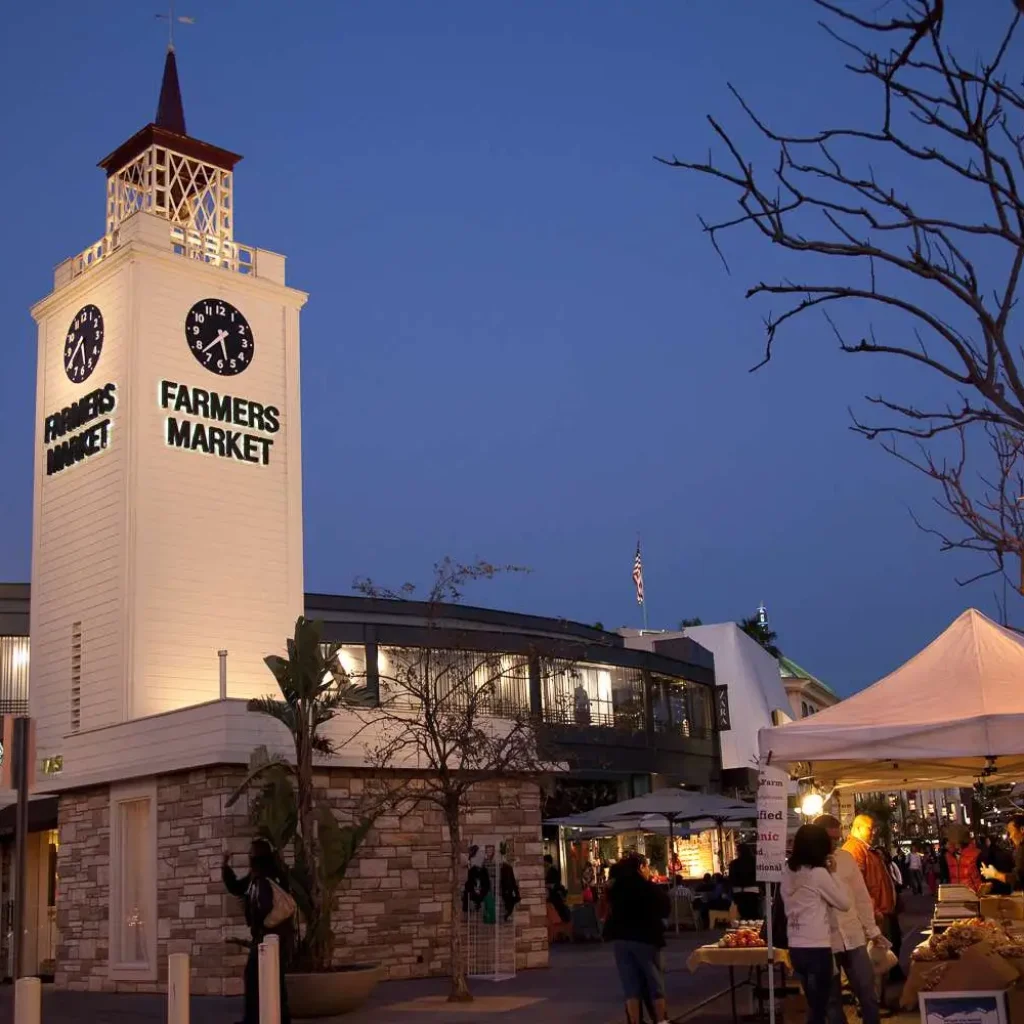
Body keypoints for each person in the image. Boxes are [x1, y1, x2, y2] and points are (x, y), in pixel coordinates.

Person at [815, 815, 887, 1024]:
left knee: (868, 991)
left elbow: (862, 898)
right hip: (826, 941)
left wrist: (872, 930)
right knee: (831, 1000)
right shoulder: (807, 865)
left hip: (853, 937)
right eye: (830, 838)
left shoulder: (845, 858)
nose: (835, 843)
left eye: (837, 838)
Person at [782, 824, 851, 1024]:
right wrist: (834, 873)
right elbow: (844, 903)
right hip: (817, 947)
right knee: (820, 1008)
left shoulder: (788, 871)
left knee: (815, 1005)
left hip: (795, 946)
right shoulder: (818, 873)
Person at [223, 839, 292, 1024]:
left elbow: (264, 908)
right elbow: (237, 887)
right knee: (275, 980)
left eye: (250, 854)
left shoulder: (261, 878)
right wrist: (226, 868)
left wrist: (254, 916)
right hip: (278, 938)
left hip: (267, 938)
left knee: (253, 977)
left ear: (254, 857)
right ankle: (278, 1019)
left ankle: (253, 1019)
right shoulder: (270, 874)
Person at [604, 854, 671, 1024]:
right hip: (646, 939)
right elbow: (665, 908)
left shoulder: (615, 887)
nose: (648, 870)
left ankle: (634, 1021)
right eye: (647, 866)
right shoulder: (648, 887)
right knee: (655, 984)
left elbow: (607, 910)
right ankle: (661, 1020)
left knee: (630, 987)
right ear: (641, 867)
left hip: (621, 940)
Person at [842, 815, 895, 927]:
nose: (874, 832)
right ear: (858, 828)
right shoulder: (855, 849)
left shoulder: (865, 849)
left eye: (874, 829)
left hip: (879, 913)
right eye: (870, 829)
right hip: (874, 916)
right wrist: (874, 910)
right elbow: (857, 886)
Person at [981, 815, 1024, 892]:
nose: (1010, 837)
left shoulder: (1021, 849)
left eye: (1011, 832)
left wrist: (995, 874)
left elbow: (1019, 879)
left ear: (1022, 829)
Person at [943, 824, 983, 892]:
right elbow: (947, 876)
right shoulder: (948, 855)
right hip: (956, 895)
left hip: (974, 894)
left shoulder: (976, 853)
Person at [728, 843, 762, 921]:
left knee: (743, 914)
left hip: (739, 892)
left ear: (739, 851)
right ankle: (754, 931)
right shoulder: (755, 861)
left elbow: (731, 879)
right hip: (753, 891)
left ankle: (745, 931)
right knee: (753, 914)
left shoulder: (733, 864)